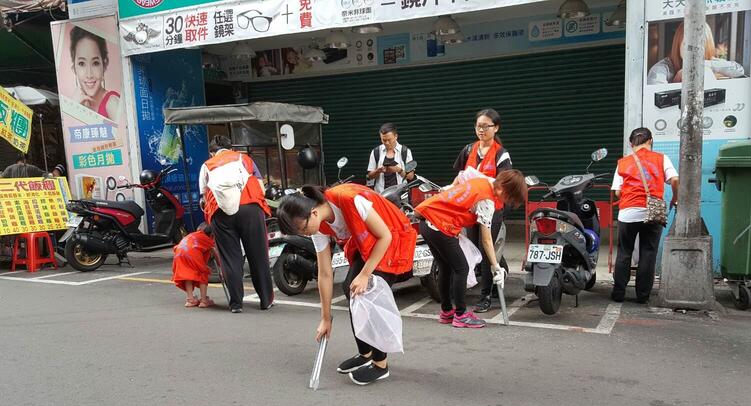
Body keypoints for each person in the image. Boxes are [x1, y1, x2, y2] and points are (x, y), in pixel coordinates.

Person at [276, 183, 417, 386]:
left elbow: (385, 236)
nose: (305, 234)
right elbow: (325, 273)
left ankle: (380, 364)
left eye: (303, 229)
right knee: (349, 288)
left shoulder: (350, 199)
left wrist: (366, 274)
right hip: (368, 242)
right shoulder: (317, 228)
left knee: (367, 294)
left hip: (392, 236)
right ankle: (365, 353)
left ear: (313, 212)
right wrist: (326, 318)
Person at [415, 170, 526, 328]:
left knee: (445, 268)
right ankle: (460, 315)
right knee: (462, 268)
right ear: (505, 190)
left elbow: (463, 174)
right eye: (509, 198)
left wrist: (451, 188)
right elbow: (486, 240)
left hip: (426, 223)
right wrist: (496, 266)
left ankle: (446, 312)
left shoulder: (484, 179)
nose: (506, 202)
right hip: (440, 226)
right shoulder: (487, 201)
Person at [199, 135, 274, 313]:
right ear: (231, 148)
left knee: (230, 258)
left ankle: (236, 304)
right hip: (250, 208)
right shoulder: (245, 158)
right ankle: (265, 300)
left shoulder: (207, 165)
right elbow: (260, 185)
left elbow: (203, 195)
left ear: (212, 152)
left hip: (221, 212)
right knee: (258, 255)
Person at [451, 108, 513, 313]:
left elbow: (503, 184)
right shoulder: (469, 149)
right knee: (475, 247)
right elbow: (458, 176)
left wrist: (479, 179)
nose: (481, 130)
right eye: (478, 126)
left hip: (491, 208)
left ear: (496, 128)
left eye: (486, 126)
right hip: (470, 208)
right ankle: (497, 277)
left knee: (486, 250)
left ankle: (485, 295)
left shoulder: (501, 154)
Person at [610, 127, 679, 304]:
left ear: (631, 144)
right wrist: (675, 198)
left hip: (628, 212)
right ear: (650, 141)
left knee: (624, 252)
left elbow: (617, 192)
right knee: (648, 253)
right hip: (652, 211)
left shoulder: (623, 163)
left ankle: (618, 294)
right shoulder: (661, 158)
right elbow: (675, 180)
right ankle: (642, 296)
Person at [646, 22, 745, 85]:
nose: (692, 51)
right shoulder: (661, 69)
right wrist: (677, 79)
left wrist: (703, 64)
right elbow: (655, 96)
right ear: (678, 44)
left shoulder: (707, 62)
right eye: (687, 45)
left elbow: (739, 70)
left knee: (704, 71)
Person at [69, 26, 121, 122]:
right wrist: (73, 106)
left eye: (95, 63)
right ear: (74, 68)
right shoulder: (79, 102)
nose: (89, 74)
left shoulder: (112, 103)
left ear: (104, 64)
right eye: (81, 63)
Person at [172, 222, 216, 308]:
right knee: (203, 273)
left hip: (179, 254)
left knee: (188, 275)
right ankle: (203, 301)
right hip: (191, 254)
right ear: (211, 235)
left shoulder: (192, 235)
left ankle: (190, 299)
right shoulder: (207, 239)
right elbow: (214, 254)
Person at [366, 123, 415, 193]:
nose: (387, 143)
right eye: (384, 140)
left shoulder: (405, 151)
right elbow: (369, 176)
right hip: (381, 194)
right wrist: (378, 170)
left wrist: (398, 170)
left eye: (389, 140)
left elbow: (410, 176)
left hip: (400, 194)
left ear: (396, 136)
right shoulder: (376, 152)